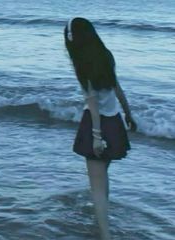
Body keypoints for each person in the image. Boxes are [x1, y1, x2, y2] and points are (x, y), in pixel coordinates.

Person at [64, 17, 137, 240]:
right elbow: (117, 88)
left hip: (96, 124)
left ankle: (105, 234)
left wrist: (96, 136)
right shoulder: (106, 56)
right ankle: (101, 222)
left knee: (96, 186)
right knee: (103, 179)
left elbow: (93, 102)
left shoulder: (82, 63)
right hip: (114, 121)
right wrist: (128, 114)